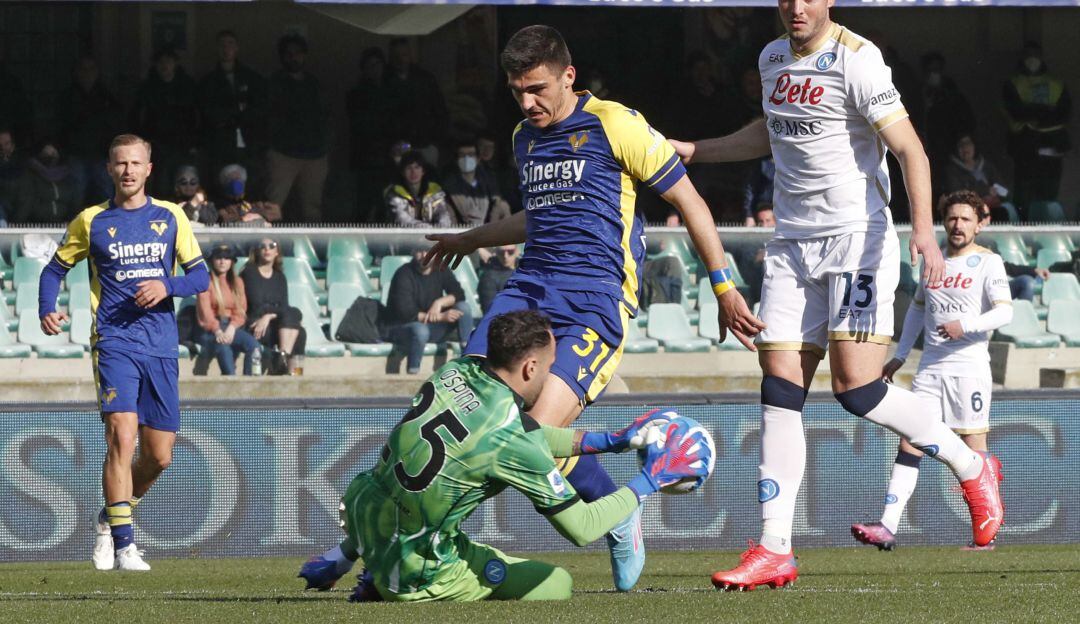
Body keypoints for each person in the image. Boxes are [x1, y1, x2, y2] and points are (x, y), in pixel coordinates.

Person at [670, 0, 1004, 590]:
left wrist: (923, 233)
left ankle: (972, 464)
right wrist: (697, 150)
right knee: (778, 389)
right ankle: (774, 548)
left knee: (858, 390)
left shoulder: (858, 59)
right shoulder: (772, 57)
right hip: (791, 245)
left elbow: (910, 150)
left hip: (857, 240)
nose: (797, 8)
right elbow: (769, 132)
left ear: (829, 1)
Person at [424, 25, 760, 592]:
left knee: (528, 439)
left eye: (536, 88)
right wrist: (470, 239)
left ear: (568, 76)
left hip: (593, 299)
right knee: (468, 417)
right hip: (526, 290)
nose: (527, 103)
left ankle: (608, 512)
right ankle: (606, 508)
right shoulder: (523, 137)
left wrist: (724, 287)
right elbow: (540, 215)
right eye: (516, 92)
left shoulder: (615, 124)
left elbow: (690, 200)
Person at [295, 310, 710, 602]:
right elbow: (582, 527)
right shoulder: (510, 439)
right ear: (530, 368)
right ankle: (391, 584)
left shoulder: (454, 373)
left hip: (367, 518)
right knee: (557, 584)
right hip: (420, 568)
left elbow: (524, 433)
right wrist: (649, 482)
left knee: (402, 495)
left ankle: (352, 562)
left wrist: (612, 440)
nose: (549, 377)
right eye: (549, 368)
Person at [37, 133, 209, 571]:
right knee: (120, 434)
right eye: (120, 163)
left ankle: (112, 516)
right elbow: (54, 269)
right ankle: (125, 544)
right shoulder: (91, 220)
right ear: (109, 169)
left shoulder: (170, 217)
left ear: (149, 169)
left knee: (159, 456)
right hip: (114, 341)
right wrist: (46, 306)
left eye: (135, 163)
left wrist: (166, 285)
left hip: (161, 345)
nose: (128, 170)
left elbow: (200, 278)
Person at [851, 192, 1011, 552]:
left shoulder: (988, 263)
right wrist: (900, 355)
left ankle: (984, 531)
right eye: (952, 218)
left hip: (968, 368)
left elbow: (1005, 313)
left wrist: (965, 325)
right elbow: (917, 312)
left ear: (979, 225)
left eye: (965, 219)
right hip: (930, 368)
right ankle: (888, 526)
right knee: (911, 439)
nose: (958, 225)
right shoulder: (933, 260)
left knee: (973, 446)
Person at [266, 34, 329, 223]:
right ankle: (267, 247)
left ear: (304, 55)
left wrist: (325, 144)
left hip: (315, 154)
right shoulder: (274, 83)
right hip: (283, 153)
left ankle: (314, 251)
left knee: (312, 208)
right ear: (282, 57)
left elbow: (326, 116)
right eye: (289, 54)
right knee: (273, 205)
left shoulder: (314, 83)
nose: (293, 57)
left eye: (298, 53)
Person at [1003, 41, 1072, 213]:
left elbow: (1065, 113)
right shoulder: (1013, 83)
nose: (1032, 59)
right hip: (1024, 147)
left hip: (1053, 147)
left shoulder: (1056, 84)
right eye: (1028, 55)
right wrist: (1046, 111)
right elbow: (1016, 112)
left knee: (1049, 195)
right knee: (1023, 194)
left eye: (1035, 55)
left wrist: (1033, 112)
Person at [383, 247, 473, 374]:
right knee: (420, 330)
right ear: (413, 252)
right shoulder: (403, 273)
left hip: (433, 328)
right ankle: (413, 374)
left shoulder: (441, 268)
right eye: (419, 251)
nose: (425, 255)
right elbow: (405, 312)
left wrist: (439, 302)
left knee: (463, 308)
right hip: (404, 329)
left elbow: (459, 294)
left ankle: (468, 356)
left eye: (428, 250)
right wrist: (441, 317)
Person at [198, 30, 267, 191]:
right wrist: (234, 112)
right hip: (220, 143)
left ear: (237, 48)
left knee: (250, 187)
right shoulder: (208, 82)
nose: (226, 48)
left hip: (250, 143)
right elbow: (208, 112)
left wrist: (242, 115)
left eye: (230, 44)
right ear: (217, 48)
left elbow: (259, 108)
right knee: (221, 186)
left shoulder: (252, 78)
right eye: (222, 44)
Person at [131, 47, 200, 198]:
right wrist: (143, 142)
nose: (165, 65)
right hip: (157, 144)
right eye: (161, 62)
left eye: (168, 61)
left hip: (183, 144)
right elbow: (137, 117)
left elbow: (195, 116)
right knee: (161, 185)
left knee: (185, 183)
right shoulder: (148, 87)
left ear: (175, 63)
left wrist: (194, 142)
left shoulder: (187, 86)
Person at [58, 55, 123, 205]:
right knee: (76, 191)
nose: (87, 73)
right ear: (76, 72)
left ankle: (108, 224)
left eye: (91, 69)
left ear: (97, 72)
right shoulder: (67, 98)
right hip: (75, 154)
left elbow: (115, 126)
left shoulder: (107, 98)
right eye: (83, 69)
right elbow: (62, 127)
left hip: (102, 155)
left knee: (106, 191)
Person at [240, 237, 306, 374]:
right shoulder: (249, 273)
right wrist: (268, 314)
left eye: (272, 245)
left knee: (296, 318)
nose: (267, 249)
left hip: (273, 322)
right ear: (257, 251)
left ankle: (289, 367)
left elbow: (284, 307)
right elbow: (257, 305)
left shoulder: (280, 277)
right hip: (255, 324)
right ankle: (284, 370)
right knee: (297, 329)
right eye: (263, 246)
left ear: (277, 252)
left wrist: (269, 316)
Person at [194, 243, 260, 376]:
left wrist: (232, 328)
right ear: (212, 260)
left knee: (253, 346)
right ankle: (231, 383)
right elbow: (205, 312)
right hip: (210, 330)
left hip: (231, 326)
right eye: (218, 257)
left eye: (226, 258)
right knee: (223, 348)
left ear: (232, 261)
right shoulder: (205, 281)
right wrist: (217, 331)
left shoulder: (237, 282)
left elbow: (240, 310)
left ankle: (248, 384)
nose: (222, 261)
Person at [942, 134, 1011, 221]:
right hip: (968, 211)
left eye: (968, 143)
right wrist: (986, 191)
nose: (965, 148)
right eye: (961, 145)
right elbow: (956, 193)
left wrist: (997, 191)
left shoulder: (987, 166)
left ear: (974, 146)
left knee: (1008, 209)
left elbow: (1005, 191)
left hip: (994, 209)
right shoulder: (952, 171)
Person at [444, 139, 512, 227]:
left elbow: (497, 203)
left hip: (487, 230)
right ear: (456, 159)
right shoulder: (449, 184)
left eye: (471, 155)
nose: (466, 158)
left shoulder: (489, 181)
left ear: (478, 159)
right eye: (462, 155)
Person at [14, 140, 80, 224]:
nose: (51, 155)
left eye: (53, 153)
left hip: (63, 225)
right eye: (46, 153)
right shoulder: (30, 175)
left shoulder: (67, 176)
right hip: (36, 227)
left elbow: (73, 203)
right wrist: (16, 225)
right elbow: (26, 204)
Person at [384, 151, 453, 227]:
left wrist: (442, 227)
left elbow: (443, 215)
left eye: (417, 167)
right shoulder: (394, 192)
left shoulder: (434, 191)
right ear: (402, 172)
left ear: (423, 171)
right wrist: (427, 228)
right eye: (409, 168)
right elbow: (401, 218)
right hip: (400, 237)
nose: (413, 172)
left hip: (430, 236)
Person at [215, 163, 280, 225]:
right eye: (229, 180)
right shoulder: (218, 203)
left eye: (237, 179)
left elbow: (275, 217)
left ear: (243, 181)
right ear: (224, 183)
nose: (234, 182)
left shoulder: (256, 198)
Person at [478, 245, 519, 313]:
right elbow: (490, 310)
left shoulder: (527, 270)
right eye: (501, 252)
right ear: (496, 252)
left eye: (510, 252)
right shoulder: (488, 277)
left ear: (517, 252)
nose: (505, 256)